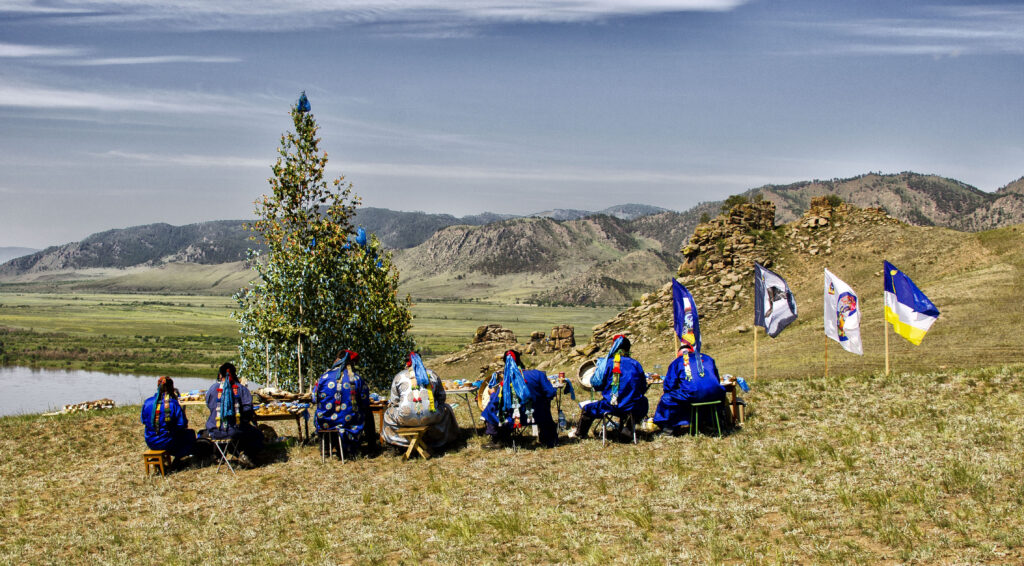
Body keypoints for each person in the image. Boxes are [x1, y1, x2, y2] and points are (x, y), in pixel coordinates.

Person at [570, 335, 649, 439]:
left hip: (612, 406)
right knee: (644, 402)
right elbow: (643, 387)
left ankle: (579, 434)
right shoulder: (635, 364)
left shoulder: (608, 363)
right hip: (632, 406)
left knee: (587, 409)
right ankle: (628, 429)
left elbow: (597, 384)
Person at [481, 350, 562, 449]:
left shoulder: (506, 382)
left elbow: (497, 401)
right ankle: (548, 438)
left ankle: (497, 440)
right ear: (520, 361)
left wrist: (492, 393)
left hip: (516, 419)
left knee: (490, 408)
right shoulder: (538, 374)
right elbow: (551, 393)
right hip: (539, 415)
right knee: (543, 406)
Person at [381, 352, 459, 450]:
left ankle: (399, 442)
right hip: (432, 416)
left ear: (406, 363)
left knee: (387, 413)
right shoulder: (432, 374)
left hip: (405, 418)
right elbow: (442, 397)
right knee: (447, 408)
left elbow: (394, 401)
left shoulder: (399, 376)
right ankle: (440, 440)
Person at [651, 340, 728, 434]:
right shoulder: (708, 358)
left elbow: (669, 385)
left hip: (694, 394)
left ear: (679, 354)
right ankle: (714, 423)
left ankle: (668, 428)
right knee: (703, 396)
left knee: (667, 398)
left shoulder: (678, 361)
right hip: (716, 393)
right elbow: (716, 378)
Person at [202, 362, 262, 467]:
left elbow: (210, 405)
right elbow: (248, 409)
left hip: (214, 430)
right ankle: (246, 456)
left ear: (220, 375)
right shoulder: (241, 389)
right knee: (257, 435)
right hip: (234, 430)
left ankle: (218, 454)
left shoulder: (212, 389)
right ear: (234, 374)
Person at [313, 349, 370, 455]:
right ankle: (364, 445)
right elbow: (365, 401)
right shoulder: (357, 379)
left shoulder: (324, 377)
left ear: (337, 360)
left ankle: (325, 447)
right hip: (349, 422)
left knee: (319, 412)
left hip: (326, 421)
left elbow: (314, 398)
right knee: (365, 413)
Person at [140, 376, 196, 465]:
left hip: (151, 441)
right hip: (168, 442)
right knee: (190, 434)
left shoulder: (147, 402)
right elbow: (182, 424)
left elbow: (143, 420)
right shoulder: (173, 404)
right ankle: (178, 459)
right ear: (171, 388)